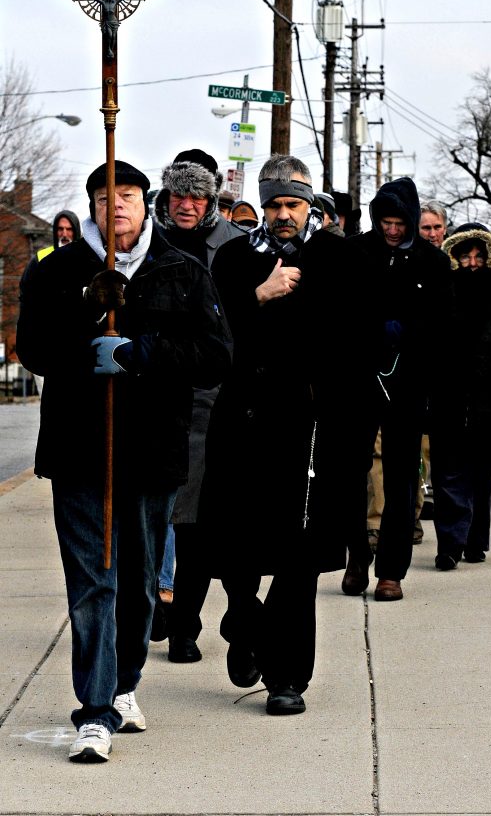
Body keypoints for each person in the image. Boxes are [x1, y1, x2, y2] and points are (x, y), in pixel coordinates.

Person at [16, 159, 232, 763]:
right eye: (106, 197)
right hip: (80, 449)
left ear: (147, 204)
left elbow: (216, 355)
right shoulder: (56, 271)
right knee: (93, 584)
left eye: (130, 197)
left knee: (138, 585)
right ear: (91, 205)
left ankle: (125, 680)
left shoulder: (182, 271)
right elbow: (31, 347)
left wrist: (142, 353)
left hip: (152, 449)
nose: (118, 207)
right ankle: (95, 708)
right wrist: (87, 320)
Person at [199, 154, 344, 716]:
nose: (284, 214)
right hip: (241, 419)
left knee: (297, 556)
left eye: (294, 203)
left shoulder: (336, 260)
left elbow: (348, 341)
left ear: (310, 205)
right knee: (234, 544)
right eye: (276, 204)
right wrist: (260, 294)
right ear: (263, 205)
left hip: (305, 425)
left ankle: (287, 677)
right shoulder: (235, 258)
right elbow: (214, 332)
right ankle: (243, 620)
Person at [153, 149, 245, 662]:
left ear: (211, 200)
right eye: (178, 194)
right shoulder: (152, 243)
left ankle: (215, 618)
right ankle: (171, 616)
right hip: (164, 391)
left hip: (220, 394)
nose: (186, 204)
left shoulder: (233, 246)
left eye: (197, 195)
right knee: (173, 515)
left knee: (214, 516)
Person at [345, 176, 452, 600]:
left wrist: (408, 334)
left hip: (409, 380)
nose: (392, 230)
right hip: (358, 377)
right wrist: (371, 333)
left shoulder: (432, 262)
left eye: (399, 222)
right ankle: (356, 557)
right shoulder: (356, 252)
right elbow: (341, 310)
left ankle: (392, 571)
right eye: (385, 221)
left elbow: (443, 322)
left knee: (402, 475)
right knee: (353, 471)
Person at [431, 222, 491, 569]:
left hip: (489, 401)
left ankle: (475, 540)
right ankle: (449, 544)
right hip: (449, 396)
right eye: (465, 256)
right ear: (454, 256)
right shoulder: (442, 293)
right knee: (448, 474)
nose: (471, 263)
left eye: (478, 255)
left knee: (481, 475)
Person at [20, 210, 82, 396]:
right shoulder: (40, 260)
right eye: (60, 229)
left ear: (76, 231)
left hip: (78, 345)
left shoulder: (84, 259)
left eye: (69, 229)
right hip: (47, 343)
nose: (64, 234)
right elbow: (26, 297)